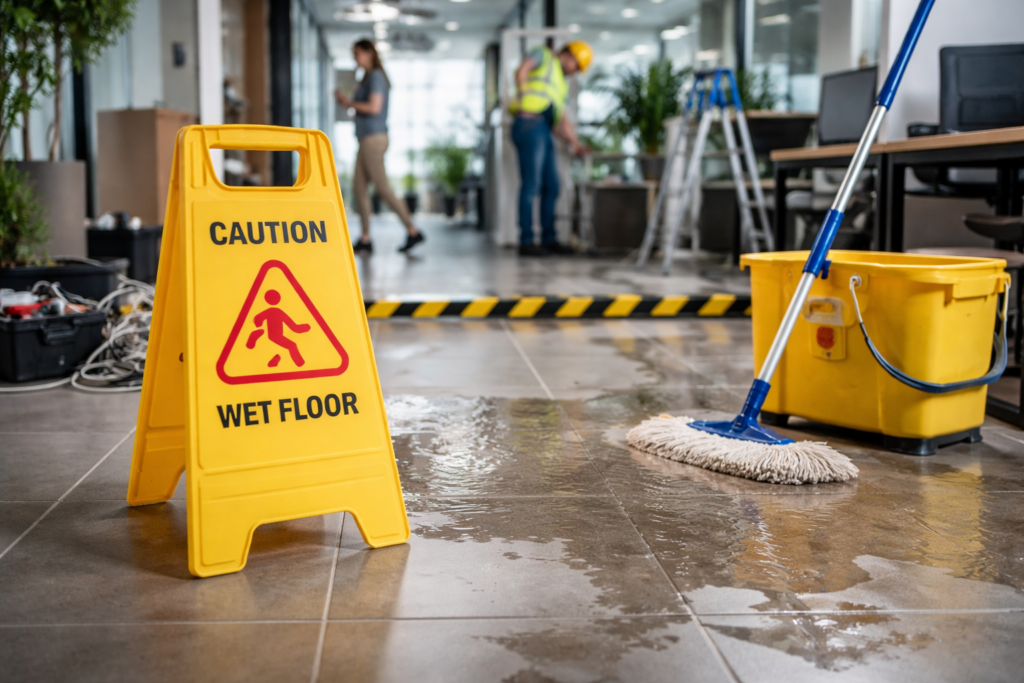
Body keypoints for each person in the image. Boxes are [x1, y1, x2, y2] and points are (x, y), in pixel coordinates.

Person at [336, 39, 424, 255]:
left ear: (369, 53)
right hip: (365, 138)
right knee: (359, 189)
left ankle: (413, 230)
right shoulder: (366, 78)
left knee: (382, 188)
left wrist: (349, 103)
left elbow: (374, 107)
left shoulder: (375, 76)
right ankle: (365, 238)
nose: (355, 58)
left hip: (374, 139)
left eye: (357, 54)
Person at [510, 41, 592, 257]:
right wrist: (521, 97)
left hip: (544, 129)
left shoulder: (560, 84)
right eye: (577, 66)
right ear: (569, 56)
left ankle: (549, 239)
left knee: (552, 186)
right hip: (529, 124)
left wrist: (575, 144)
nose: (574, 72)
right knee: (532, 184)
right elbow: (523, 69)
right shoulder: (543, 55)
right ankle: (526, 241)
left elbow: (562, 121)